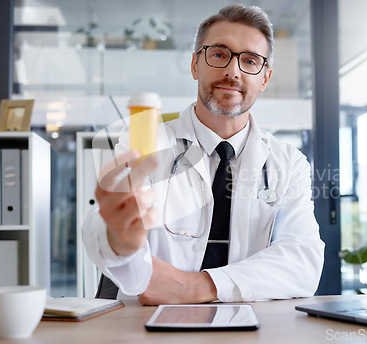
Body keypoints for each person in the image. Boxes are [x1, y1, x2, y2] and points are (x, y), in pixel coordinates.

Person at [83, 4, 324, 305]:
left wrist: (193, 286)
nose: (232, 71)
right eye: (220, 54)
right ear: (195, 64)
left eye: (249, 60)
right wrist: (119, 240)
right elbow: (104, 230)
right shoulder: (145, 142)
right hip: (148, 325)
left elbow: (302, 260)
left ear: (264, 78)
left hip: (251, 327)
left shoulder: (288, 163)